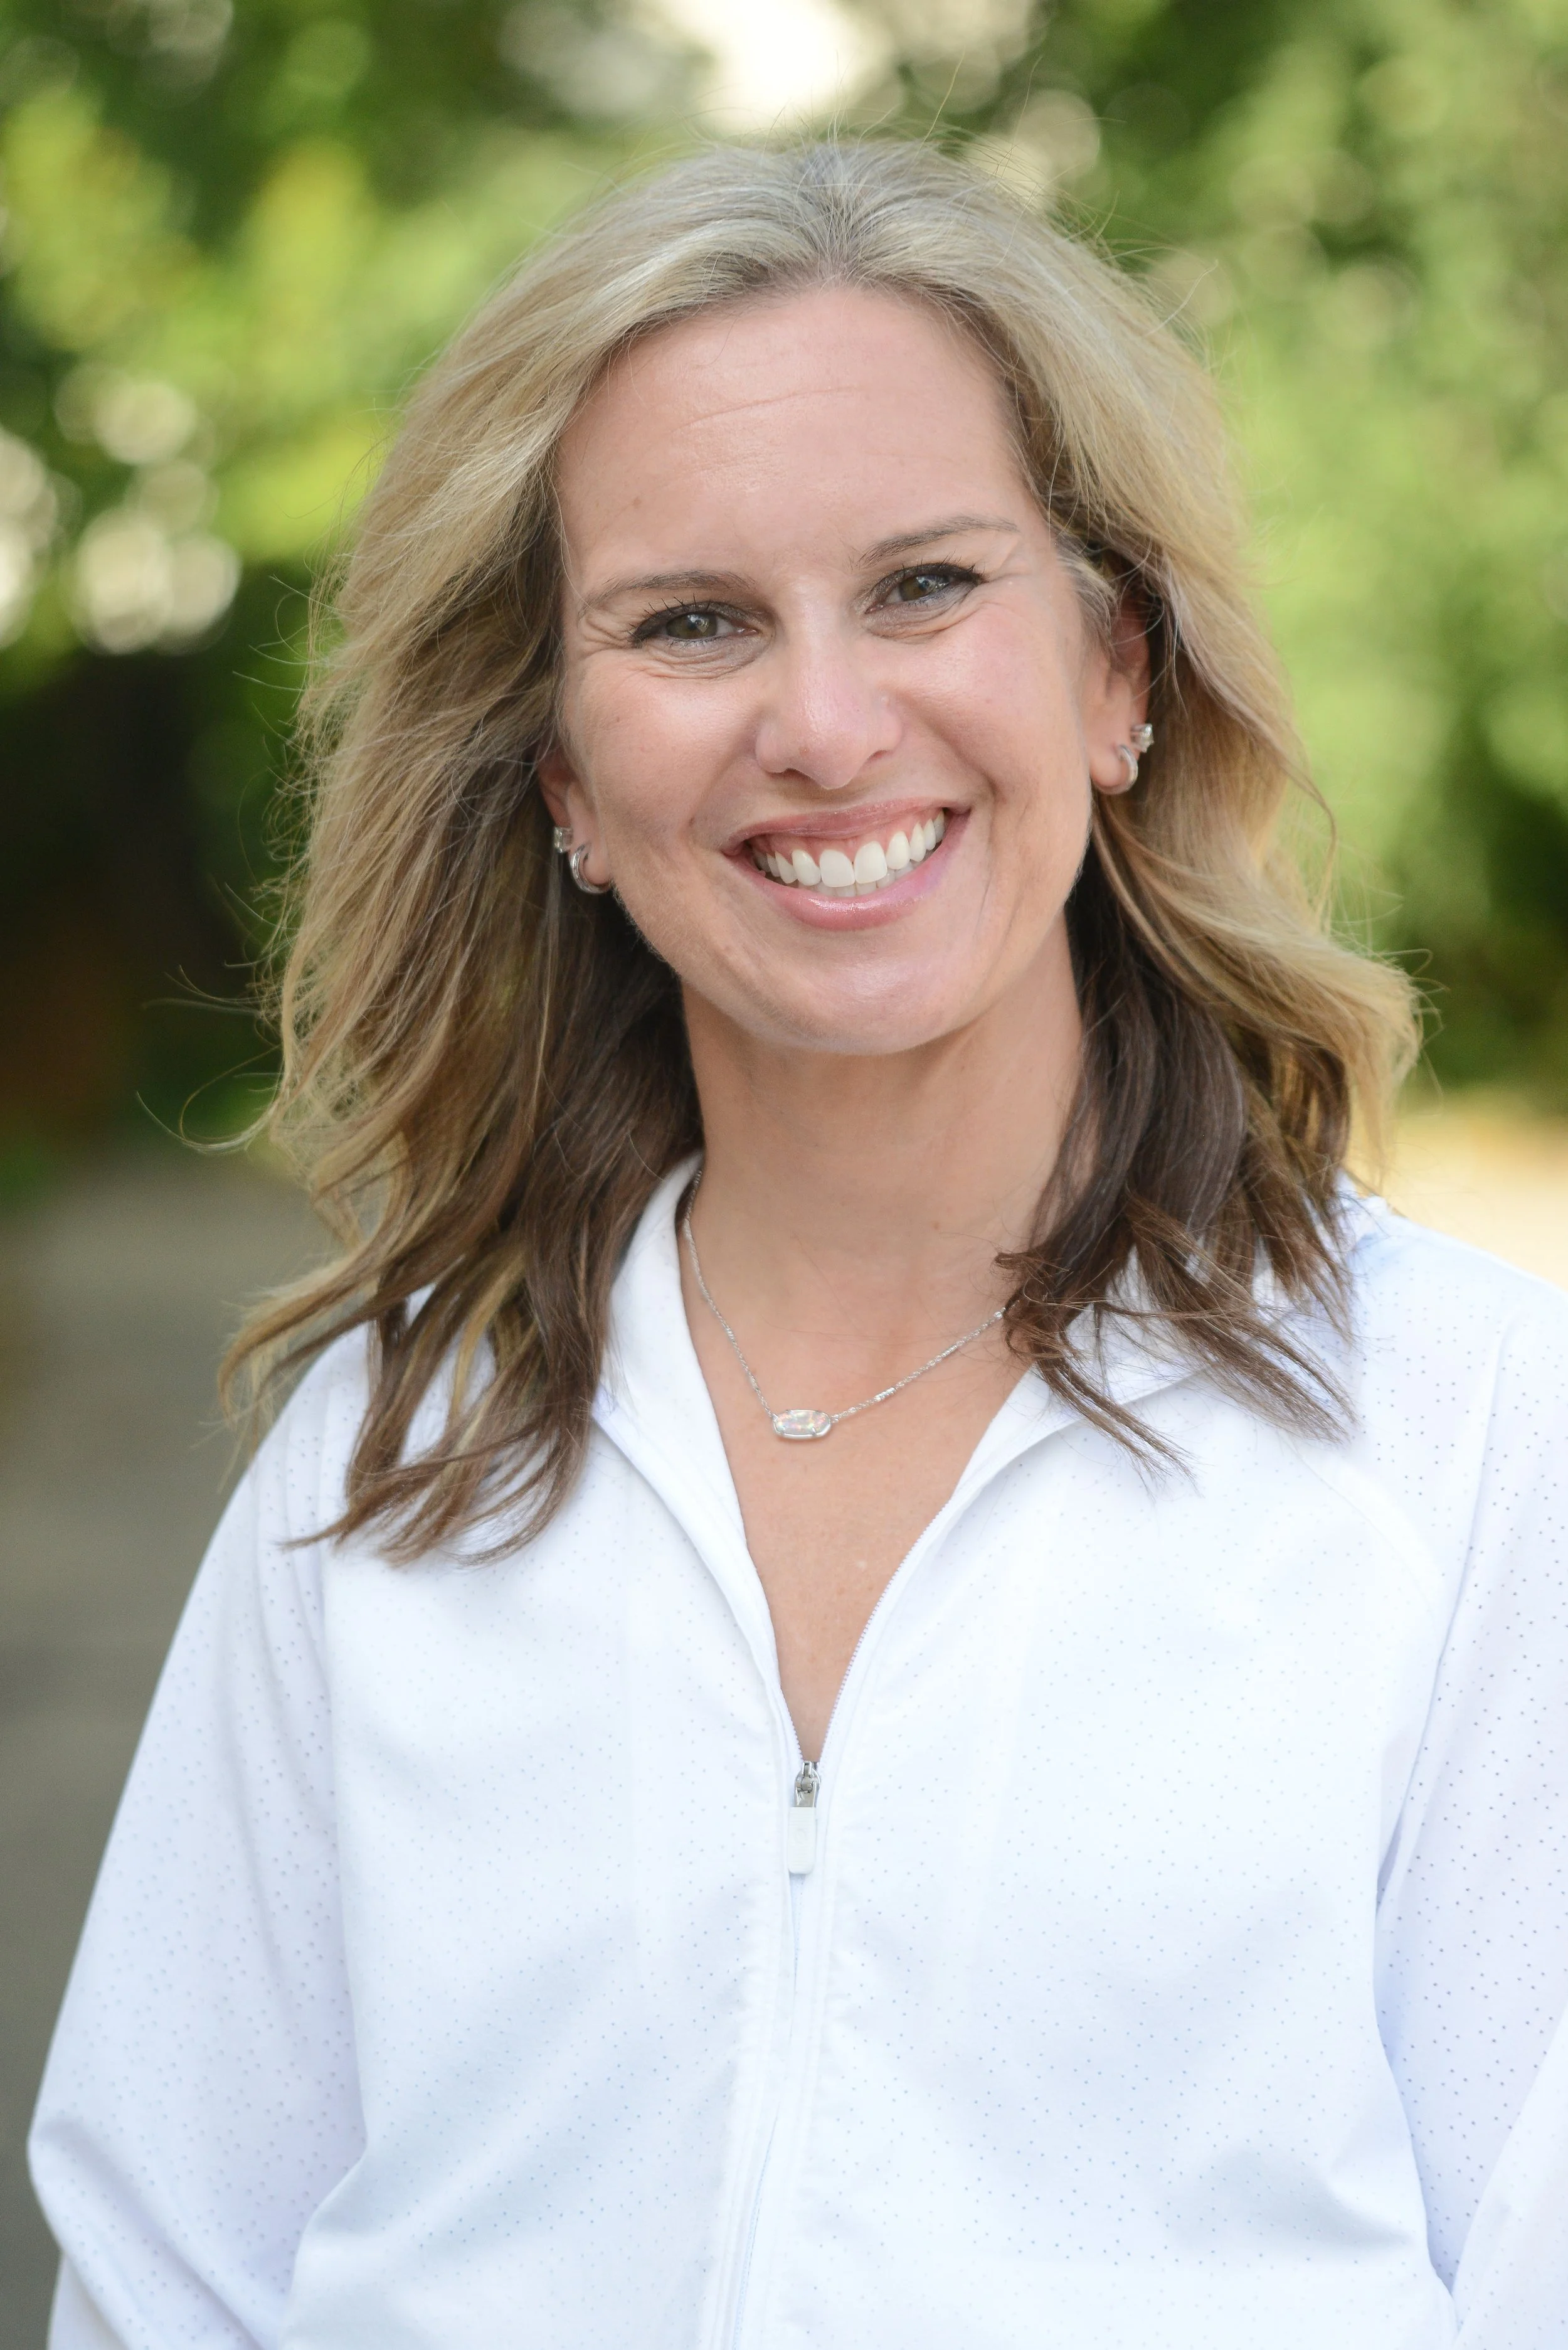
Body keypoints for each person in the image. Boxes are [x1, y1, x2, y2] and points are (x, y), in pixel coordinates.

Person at [29, 139, 1568, 2349]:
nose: (826, 725)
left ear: (1115, 673)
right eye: (690, 622)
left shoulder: (1461, 1433)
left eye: (928, 585)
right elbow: (173, 2280)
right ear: (561, 772)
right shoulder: (380, 1469)